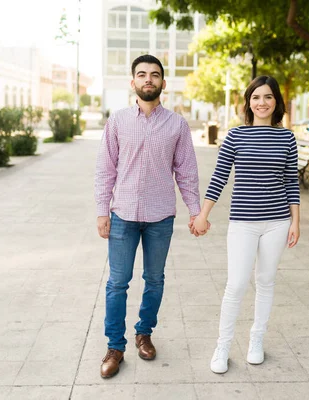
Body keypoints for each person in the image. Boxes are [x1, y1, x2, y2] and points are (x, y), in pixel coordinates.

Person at [95, 54, 201, 379]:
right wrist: (102, 211)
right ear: (133, 83)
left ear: (163, 83)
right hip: (123, 216)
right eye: (142, 75)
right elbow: (105, 170)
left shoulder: (177, 125)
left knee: (154, 280)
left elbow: (187, 172)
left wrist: (196, 212)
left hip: (160, 218)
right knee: (117, 283)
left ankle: (144, 333)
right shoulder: (117, 122)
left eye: (154, 75)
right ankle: (115, 346)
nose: (148, 80)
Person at [191, 75, 300, 374]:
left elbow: (291, 182)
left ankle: (256, 341)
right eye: (256, 97)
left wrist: (295, 222)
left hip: (277, 222)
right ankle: (223, 346)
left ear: (276, 102)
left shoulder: (287, 138)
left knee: (265, 282)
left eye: (267, 97)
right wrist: (203, 214)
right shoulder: (236, 136)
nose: (261, 103)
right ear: (248, 102)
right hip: (243, 223)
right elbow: (219, 178)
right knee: (236, 284)